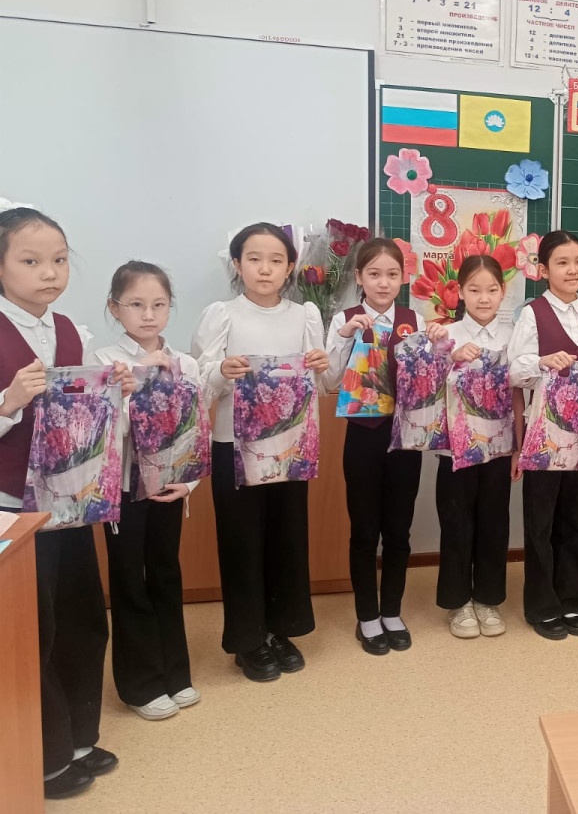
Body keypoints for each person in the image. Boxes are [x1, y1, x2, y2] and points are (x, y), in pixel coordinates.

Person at [0, 205, 126, 799]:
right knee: (34, 628)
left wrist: (118, 388)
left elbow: (90, 410)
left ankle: (77, 737)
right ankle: (43, 757)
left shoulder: (73, 331)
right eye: (30, 261)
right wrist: (8, 401)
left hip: (73, 499)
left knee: (81, 615)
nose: (49, 273)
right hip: (15, 508)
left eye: (58, 260)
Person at [192, 222, 328, 680]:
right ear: (237, 264)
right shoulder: (223, 315)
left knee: (286, 541)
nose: (265, 269)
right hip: (235, 447)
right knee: (242, 544)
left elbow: (320, 384)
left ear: (290, 268)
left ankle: (280, 629)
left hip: (290, 447)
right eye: (254, 259)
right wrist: (221, 372)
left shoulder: (305, 315)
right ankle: (248, 640)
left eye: (275, 260)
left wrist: (320, 365)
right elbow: (199, 383)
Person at [89, 262, 201, 719]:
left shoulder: (186, 363)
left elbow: (193, 429)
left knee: (166, 572)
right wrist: (136, 384)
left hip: (168, 486)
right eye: (136, 304)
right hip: (123, 489)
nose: (148, 314)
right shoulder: (104, 362)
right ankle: (140, 685)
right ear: (115, 308)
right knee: (129, 580)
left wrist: (188, 483)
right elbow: (102, 434)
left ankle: (176, 673)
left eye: (159, 304)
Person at [326, 238, 425, 653]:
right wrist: (345, 337)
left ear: (403, 278)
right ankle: (367, 616)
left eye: (392, 274)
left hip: (405, 439)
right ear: (359, 277)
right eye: (374, 274)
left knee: (399, 531)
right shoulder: (344, 319)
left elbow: (425, 382)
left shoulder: (414, 319)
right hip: (363, 437)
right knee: (365, 530)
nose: (383, 283)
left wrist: (437, 348)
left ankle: (392, 611)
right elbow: (329, 381)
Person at [508, 231, 578, 641]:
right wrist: (541, 361)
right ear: (544, 270)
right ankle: (542, 606)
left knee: (577, 520)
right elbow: (514, 371)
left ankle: (570, 602)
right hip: (543, 434)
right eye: (562, 263)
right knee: (541, 522)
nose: (572, 270)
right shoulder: (532, 313)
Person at [436, 254, 523, 639]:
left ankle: (488, 599)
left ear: (503, 292)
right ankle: (458, 603)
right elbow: (426, 390)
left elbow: (519, 395)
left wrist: (519, 446)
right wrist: (449, 358)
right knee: (456, 522)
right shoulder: (447, 335)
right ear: (460, 292)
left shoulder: (513, 336)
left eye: (491, 290)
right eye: (474, 290)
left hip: (500, 448)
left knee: (494, 523)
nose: (483, 298)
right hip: (456, 450)